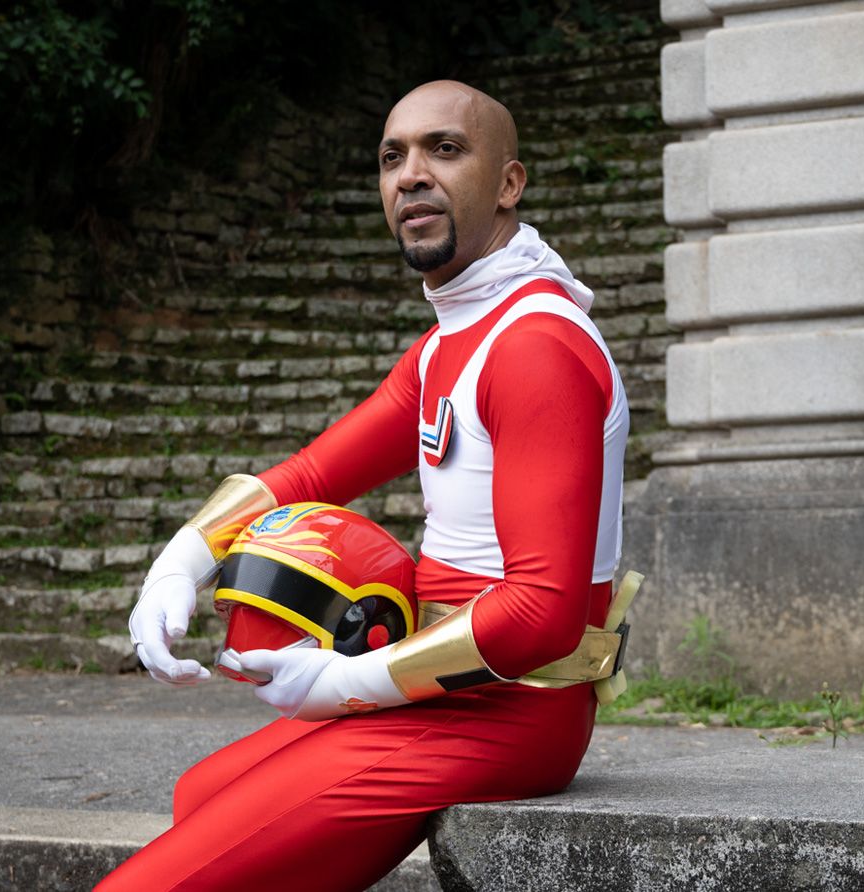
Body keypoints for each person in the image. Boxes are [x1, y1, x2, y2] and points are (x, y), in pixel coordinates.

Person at [98, 79, 629, 891]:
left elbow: (541, 615)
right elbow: (315, 474)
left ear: (509, 183)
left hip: (509, 712)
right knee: (199, 795)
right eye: (391, 157)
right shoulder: (451, 341)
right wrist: (180, 561)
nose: (410, 175)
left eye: (444, 150)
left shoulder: (533, 346)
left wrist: (346, 684)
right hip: (446, 693)